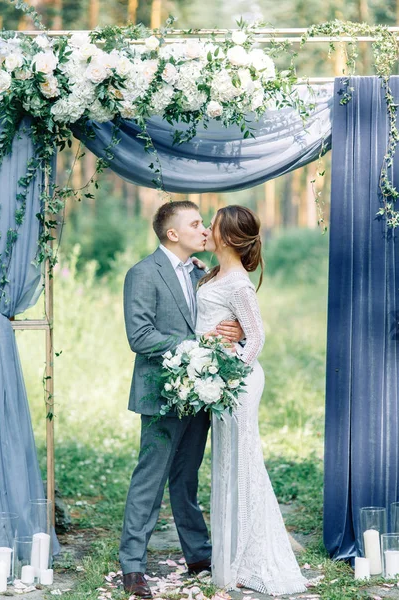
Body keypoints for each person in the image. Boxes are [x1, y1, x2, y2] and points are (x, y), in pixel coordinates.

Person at [120, 200, 243, 597]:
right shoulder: (143, 273)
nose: (205, 228)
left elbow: (214, 320)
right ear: (173, 233)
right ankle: (133, 565)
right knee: (150, 479)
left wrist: (234, 331)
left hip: (200, 393)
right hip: (160, 393)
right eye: (196, 223)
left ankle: (198, 555)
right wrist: (195, 343)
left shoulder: (203, 274)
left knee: (186, 479)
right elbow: (139, 337)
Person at [196, 205, 308, 596]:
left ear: (226, 237)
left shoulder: (239, 283)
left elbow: (256, 338)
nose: (206, 229)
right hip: (221, 380)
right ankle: (231, 558)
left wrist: (229, 374)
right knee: (227, 465)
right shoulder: (215, 272)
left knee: (243, 463)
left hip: (237, 383)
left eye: (211, 225)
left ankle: (250, 557)